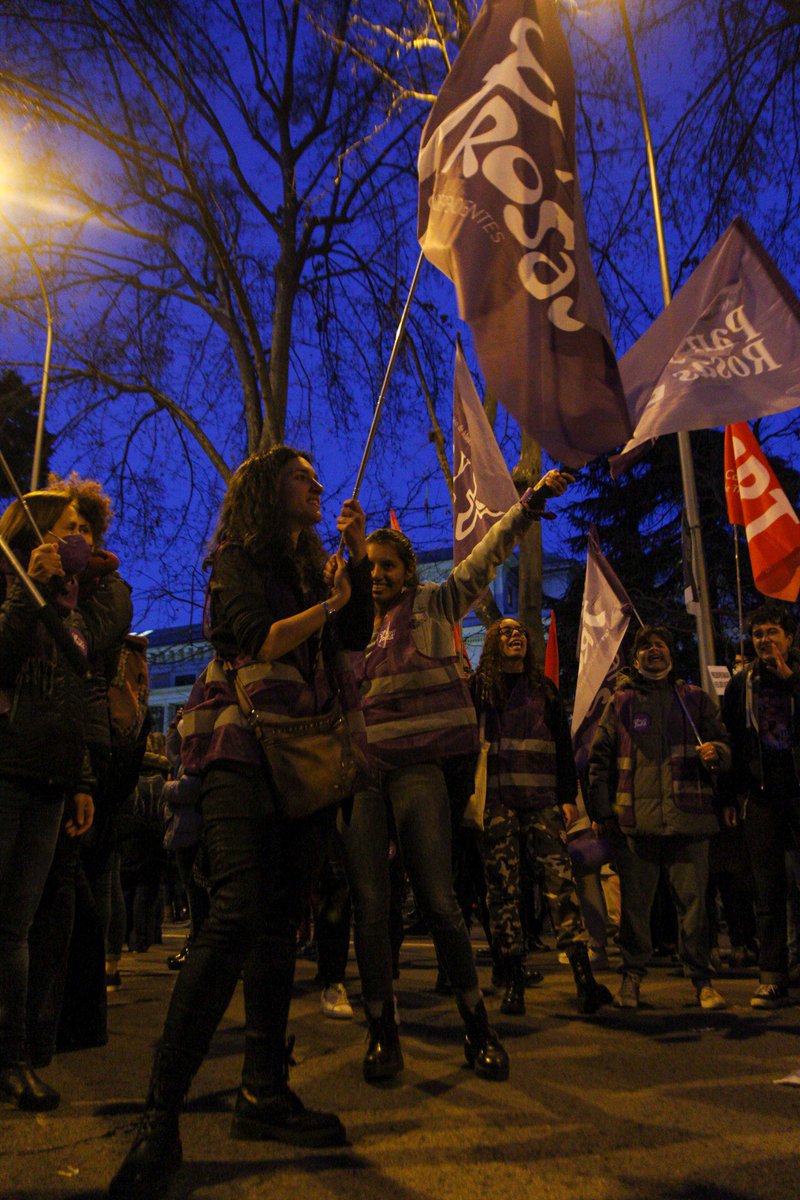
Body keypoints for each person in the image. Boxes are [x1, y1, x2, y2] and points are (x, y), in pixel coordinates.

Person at [107, 446, 372, 1200]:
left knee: (280, 921)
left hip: (303, 756)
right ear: (266, 490)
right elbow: (258, 638)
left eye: (317, 476)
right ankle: (161, 1116)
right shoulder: (235, 561)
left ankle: (263, 1090)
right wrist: (326, 605)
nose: (316, 484)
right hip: (238, 748)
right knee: (234, 914)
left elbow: (350, 638)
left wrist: (352, 567)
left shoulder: (313, 568)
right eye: (300, 476)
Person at [338, 469, 572, 1084]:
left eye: (388, 566)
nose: (378, 575)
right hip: (364, 779)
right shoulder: (350, 625)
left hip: (418, 772)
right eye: (370, 567)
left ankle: (477, 1025)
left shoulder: (436, 604)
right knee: (370, 905)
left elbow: (488, 552)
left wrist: (529, 505)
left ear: (409, 573)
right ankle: (382, 1030)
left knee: (440, 901)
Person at [0, 490, 95, 1111]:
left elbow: (74, 694)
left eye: (83, 526)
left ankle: (12, 1059)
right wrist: (23, 590)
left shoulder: (73, 608)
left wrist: (82, 777)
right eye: (67, 527)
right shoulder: (12, 590)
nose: (79, 537)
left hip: (50, 779)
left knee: (15, 928)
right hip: (7, 768)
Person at [472, 618, 612, 1016]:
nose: (515, 636)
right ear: (493, 643)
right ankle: (513, 981)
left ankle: (584, 981)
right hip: (497, 803)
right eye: (505, 632)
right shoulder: (480, 689)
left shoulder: (544, 690)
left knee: (560, 887)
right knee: (504, 892)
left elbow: (563, 748)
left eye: (519, 632)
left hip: (542, 803)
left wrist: (567, 797)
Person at [587, 625, 730, 1011]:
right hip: (637, 823)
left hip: (690, 820)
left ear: (670, 654)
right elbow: (599, 760)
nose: (654, 650)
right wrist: (602, 811)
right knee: (635, 910)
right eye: (646, 646)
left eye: (661, 645)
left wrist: (717, 753)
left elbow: (725, 744)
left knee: (695, 908)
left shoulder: (694, 700)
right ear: (635, 659)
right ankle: (631, 979)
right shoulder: (621, 702)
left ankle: (702, 981)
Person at [721, 604, 800, 1009]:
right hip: (761, 796)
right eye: (757, 634)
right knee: (768, 890)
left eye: (772, 632)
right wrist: (730, 796)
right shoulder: (742, 684)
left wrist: (791, 681)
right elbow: (731, 741)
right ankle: (772, 976)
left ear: (789, 637)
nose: (765, 640)